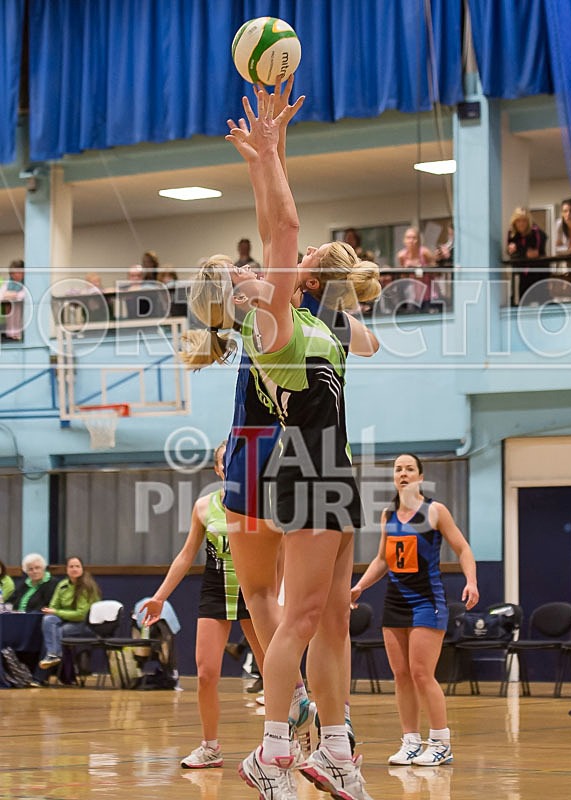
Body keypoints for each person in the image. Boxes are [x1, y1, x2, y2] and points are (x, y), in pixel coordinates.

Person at [183, 81, 379, 800]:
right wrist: (264, 159)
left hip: (334, 466)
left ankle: (335, 748)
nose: (261, 269)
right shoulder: (271, 327)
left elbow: (279, 219)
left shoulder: (316, 320)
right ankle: (272, 750)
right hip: (299, 467)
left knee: (333, 619)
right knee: (294, 614)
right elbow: (283, 224)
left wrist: (274, 152)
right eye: (252, 272)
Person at [140, 441, 264, 769]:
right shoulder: (203, 506)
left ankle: (283, 740)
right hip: (216, 588)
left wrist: (280, 594)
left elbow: (278, 554)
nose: (232, 466)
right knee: (207, 673)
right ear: (218, 469)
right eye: (226, 461)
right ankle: (210, 747)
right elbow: (186, 554)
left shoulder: (261, 505)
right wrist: (160, 596)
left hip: (256, 590)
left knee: (273, 670)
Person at [351, 453, 479, 768]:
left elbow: (462, 548)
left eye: (410, 469)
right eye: (398, 469)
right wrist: (359, 586)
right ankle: (410, 741)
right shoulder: (388, 515)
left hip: (427, 602)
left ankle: (440, 742)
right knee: (402, 675)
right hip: (395, 603)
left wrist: (471, 582)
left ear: (420, 477)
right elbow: (382, 559)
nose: (404, 473)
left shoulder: (435, 511)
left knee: (422, 674)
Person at [38, 555, 101, 672]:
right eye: (71, 566)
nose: (74, 569)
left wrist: (57, 612)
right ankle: (54, 656)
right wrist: (54, 612)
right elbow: (53, 607)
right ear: (66, 570)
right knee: (48, 620)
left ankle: (53, 668)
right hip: (66, 621)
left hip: (87, 624)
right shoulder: (62, 585)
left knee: (54, 634)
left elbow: (81, 615)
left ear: (82, 569)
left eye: (77, 566)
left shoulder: (87, 586)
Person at [506, 207, 548, 299]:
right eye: (518, 221)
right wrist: (523, 252)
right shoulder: (512, 234)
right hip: (521, 275)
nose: (521, 224)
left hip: (539, 274)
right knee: (522, 302)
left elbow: (535, 253)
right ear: (514, 222)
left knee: (542, 302)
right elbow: (511, 253)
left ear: (528, 221)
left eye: (524, 220)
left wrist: (518, 249)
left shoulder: (536, 232)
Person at [397, 228, 436, 312]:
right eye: (408, 238)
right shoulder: (401, 255)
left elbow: (435, 271)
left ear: (418, 240)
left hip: (427, 294)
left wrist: (421, 268)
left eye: (414, 238)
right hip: (411, 295)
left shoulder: (425, 252)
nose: (411, 241)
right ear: (404, 240)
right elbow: (403, 277)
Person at [0, 259, 26, 341]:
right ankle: (10, 334)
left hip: (22, 327)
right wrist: (10, 295)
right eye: (12, 273)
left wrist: (9, 295)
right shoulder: (8, 283)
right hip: (8, 324)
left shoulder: (27, 283)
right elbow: (1, 295)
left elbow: (21, 296)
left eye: (17, 272)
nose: (14, 275)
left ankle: (16, 334)